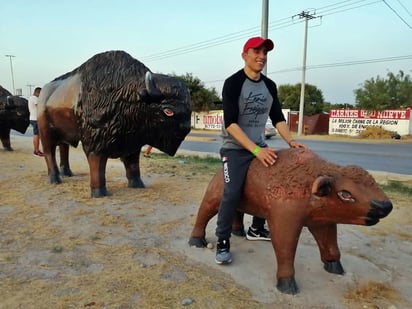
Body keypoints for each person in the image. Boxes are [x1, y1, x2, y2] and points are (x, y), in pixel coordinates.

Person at [215, 37, 307, 265]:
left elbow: (278, 118)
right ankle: (222, 240)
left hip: (259, 146)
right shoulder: (233, 83)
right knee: (232, 192)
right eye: (256, 51)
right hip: (235, 148)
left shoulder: (269, 86)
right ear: (245, 55)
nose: (262, 56)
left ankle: (256, 228)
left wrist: (290, 141)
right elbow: (231, 124)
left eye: (265, 52)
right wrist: (256, 150)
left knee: (276, 182)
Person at [28, 87, 44, 157]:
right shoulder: (34, 98)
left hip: (34, 118)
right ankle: (36, 151)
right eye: (41, 94)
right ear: (37, 92)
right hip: (35, 119)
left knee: (37, 135)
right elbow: (40, 106)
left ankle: (37, 150)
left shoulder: (31, 98)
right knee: (36, 135)